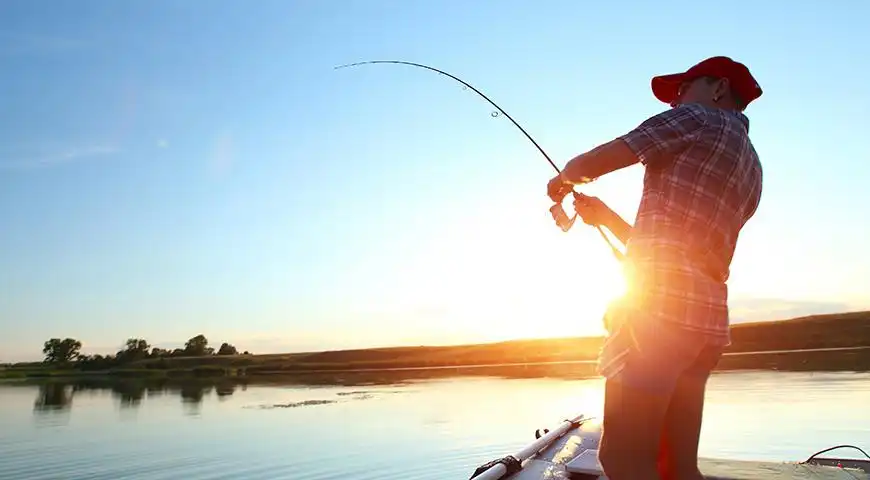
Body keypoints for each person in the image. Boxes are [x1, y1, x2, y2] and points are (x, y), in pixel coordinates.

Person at [546, 56, 764, 480]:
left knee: (624, 460)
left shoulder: (696, 118)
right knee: (677, 466)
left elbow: (596, 162)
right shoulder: (752, 166)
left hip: (658, 319)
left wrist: (564, 179)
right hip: (705, 325)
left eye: (682, 90)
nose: (675, 103)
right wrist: (606, 217)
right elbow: (676, 249)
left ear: (717, 88)